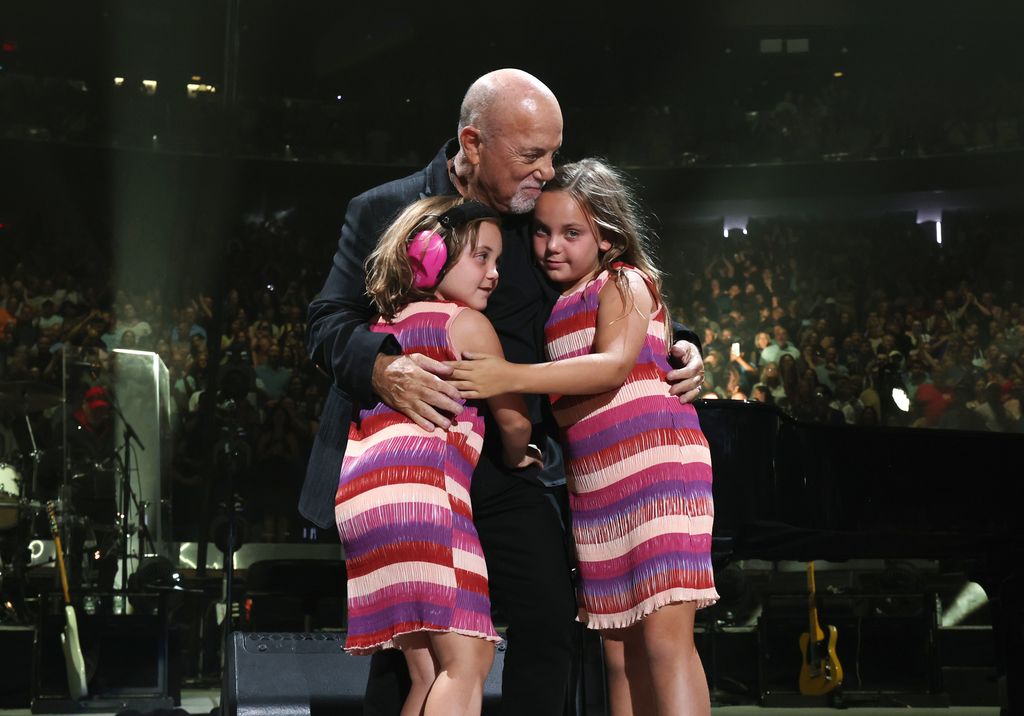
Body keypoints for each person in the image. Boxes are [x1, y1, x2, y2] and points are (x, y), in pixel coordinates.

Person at [301, 69, 706, 715]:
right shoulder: (385, 208)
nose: (546, 171)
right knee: (413, 651)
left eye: (552, 152)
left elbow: (602, 278)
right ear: (472, 141)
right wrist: (383, 368)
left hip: (505, 461)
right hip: (414, 458)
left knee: (550, 622)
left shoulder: (532, 217)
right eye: (531, 155)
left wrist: (675, 340)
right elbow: (326, 321)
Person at [448, 159, 718, 715]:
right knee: (617, 654)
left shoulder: (625, 280)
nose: (551, 246)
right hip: (595, 488)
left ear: (609, 234)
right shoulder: (559, 307)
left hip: (656, 472)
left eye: (572, 233)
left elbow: (614, 365)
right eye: (543, 231)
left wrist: (508, 377)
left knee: (666, 644)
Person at [336, 196, 538, 715]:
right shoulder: (465, 324)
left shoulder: (379, 329)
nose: (494, 274)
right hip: (426, 501)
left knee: (428, 672)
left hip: (364, 502)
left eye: (497, 260)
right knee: (468, 662)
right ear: (427, 254)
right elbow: (514, 420)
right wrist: (518, 456)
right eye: (482, 258)